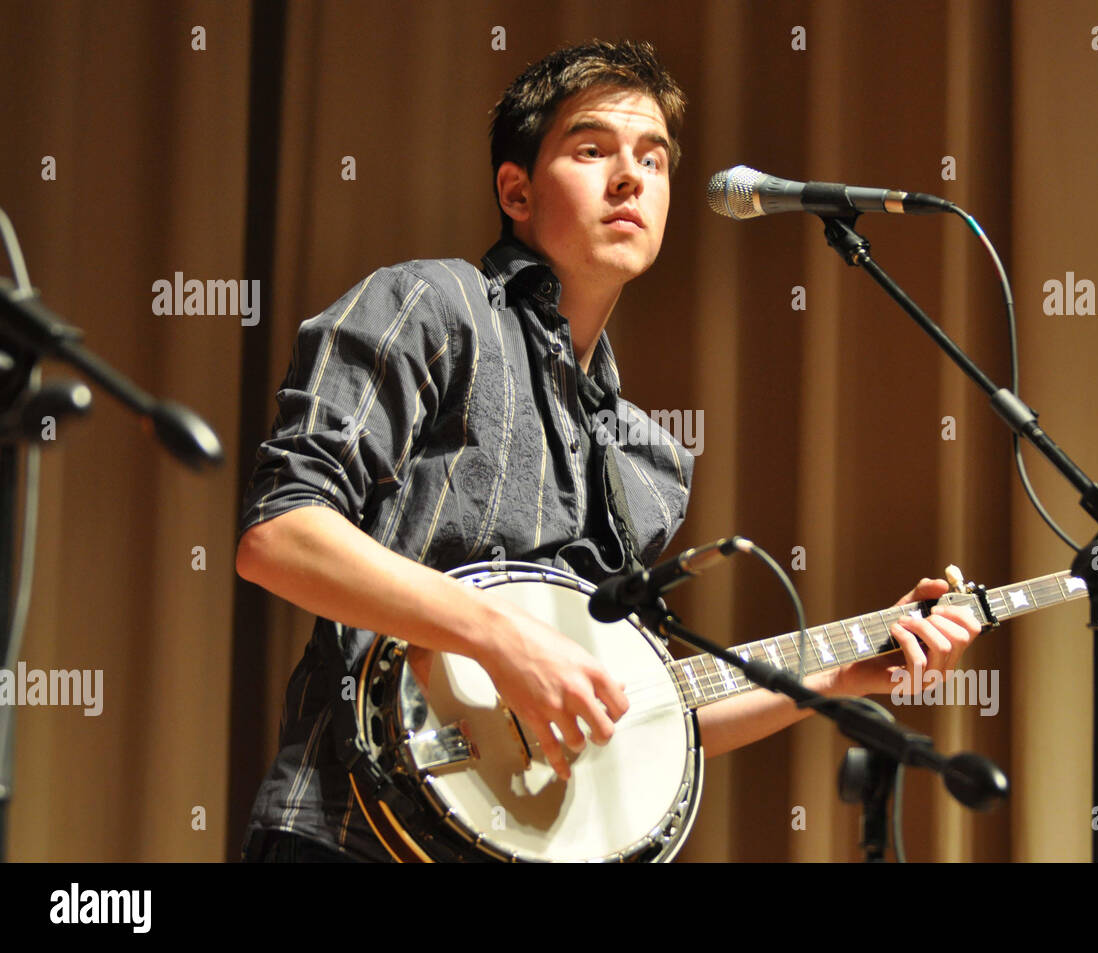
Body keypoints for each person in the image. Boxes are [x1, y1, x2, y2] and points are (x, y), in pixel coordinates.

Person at [234, 39, 981, 863]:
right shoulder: (431, 305)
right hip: (349, 835)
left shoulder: (647, 462)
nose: (631, 177)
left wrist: (831, 677)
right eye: (593, 150)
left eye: (653, 160)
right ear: (515, 189)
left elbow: (639, 710)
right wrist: (498, 635)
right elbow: (281, 535)